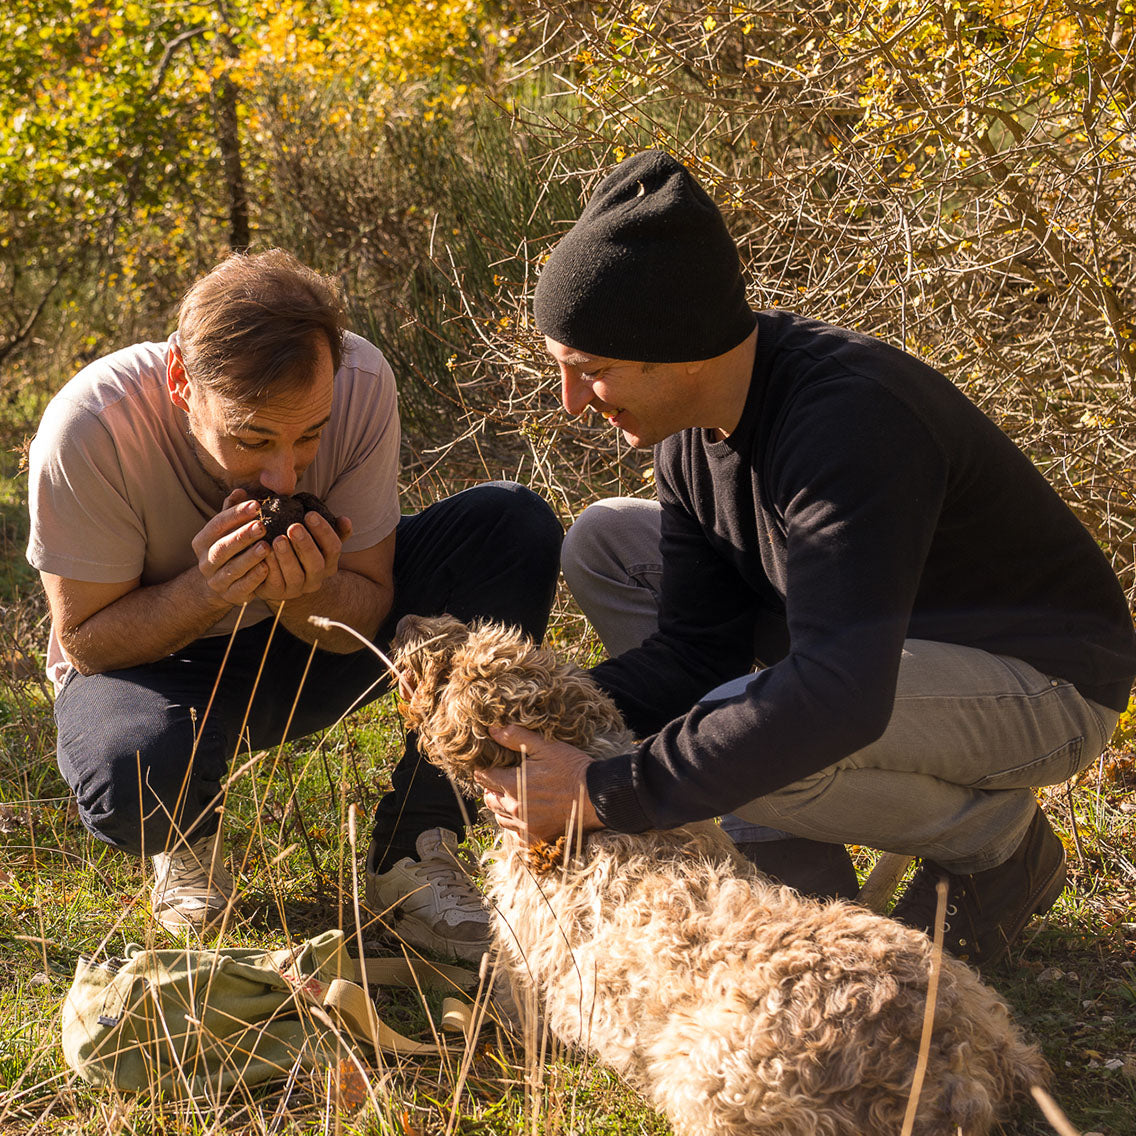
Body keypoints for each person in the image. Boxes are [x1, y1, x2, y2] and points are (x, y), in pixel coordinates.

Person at [475, 150, 1136, 969]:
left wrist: (605, 786)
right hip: (871, 659)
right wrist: (538, 730)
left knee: (753, 743)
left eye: (592, 372)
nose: (573, 404)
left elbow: (836, 697)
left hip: (1044, 685)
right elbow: (697, 648)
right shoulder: (690, 434)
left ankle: (999, 844)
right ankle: (797, 862)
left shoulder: (847, 425)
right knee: (605, 540)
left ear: (678, 349)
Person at [26, 249, 562, 958]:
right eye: (252, 438)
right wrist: (207, 588)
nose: (283, 473)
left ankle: (419, 840)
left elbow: (366, 611)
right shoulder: (90, 427)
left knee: (511, 527)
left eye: (309, 434)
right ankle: (188, 832)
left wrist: (302, 590)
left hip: (305, 643)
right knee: (133, 781)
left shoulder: (361, 381)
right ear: (183, 382)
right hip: (156, 664)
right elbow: (87, 643)